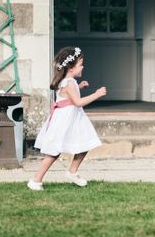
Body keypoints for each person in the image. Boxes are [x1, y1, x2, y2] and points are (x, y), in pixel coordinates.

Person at [27, 47, 107, 191]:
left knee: (86, 143)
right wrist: (97, 94)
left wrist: (80, 87)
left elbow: (68, 97)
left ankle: (72, 171)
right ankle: (36, 180)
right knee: (54, 152)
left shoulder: (69, 81)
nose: (83, 66)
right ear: (71, 68)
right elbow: (78, 102)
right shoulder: (69, 83)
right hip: (65, 120)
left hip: (72, 118)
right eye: (80, 64)